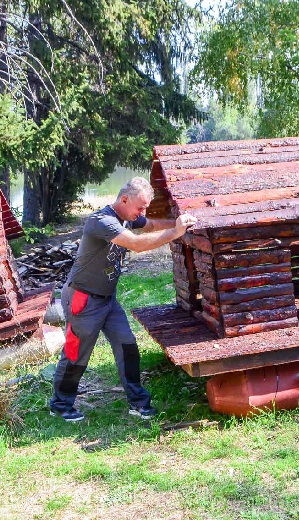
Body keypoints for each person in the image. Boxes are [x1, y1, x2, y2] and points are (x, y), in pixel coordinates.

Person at [49, 177, 197, 422]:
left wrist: (179, 222)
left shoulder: (127, 216)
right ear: (125, 199)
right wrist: (175, 232)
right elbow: (137, 244)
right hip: (83, 299)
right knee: (77, 353)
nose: (142, 212)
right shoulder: (101, 221)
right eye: (140, 207)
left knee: (127, 345)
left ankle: (138, 403)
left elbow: (148, 225)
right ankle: (61, 404)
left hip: (107, 299)